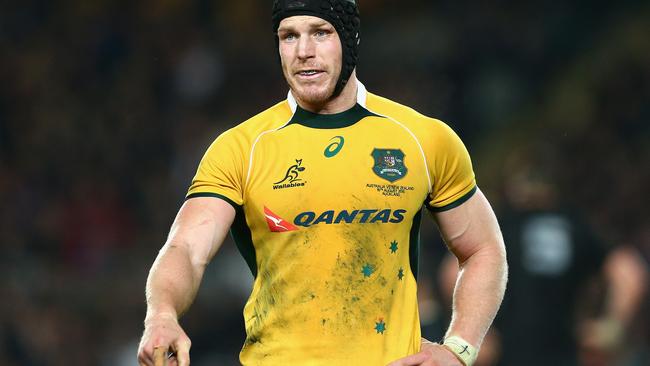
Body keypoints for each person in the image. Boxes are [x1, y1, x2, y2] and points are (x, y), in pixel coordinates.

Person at [137, 1, 508, 365]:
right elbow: (186, 248)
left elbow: (483, 249)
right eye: (288, 36)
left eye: (320, 33)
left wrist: (459, 349)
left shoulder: (422, 139)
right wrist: (162, 315)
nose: (303, 51)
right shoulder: (242, 148)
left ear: (350, 39)